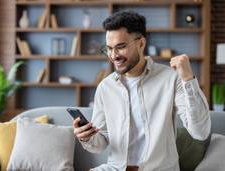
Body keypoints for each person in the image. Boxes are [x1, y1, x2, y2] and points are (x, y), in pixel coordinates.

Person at [73, 11, 211, 171]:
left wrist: (188, 79)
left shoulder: (170, 79)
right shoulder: (106, 87)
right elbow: (99, 144)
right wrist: (87, 137)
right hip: (116, 168)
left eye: (120, 47)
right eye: (109, 49)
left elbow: (201, 132)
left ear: (141, 43)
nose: (113, 55)